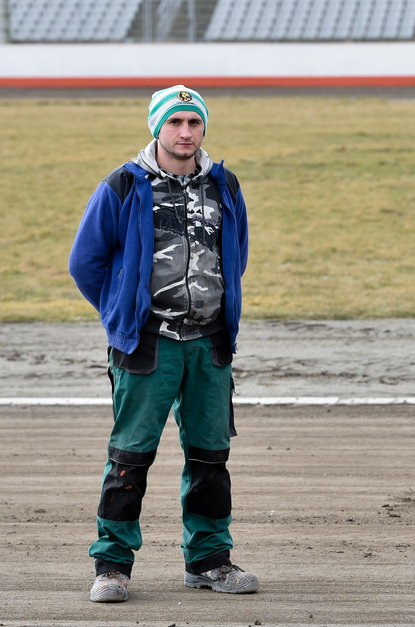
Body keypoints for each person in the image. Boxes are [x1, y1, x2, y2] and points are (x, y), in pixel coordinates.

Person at [69, 85, 257, 602]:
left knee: (210, 458)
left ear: (203, 129)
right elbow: (85, 263)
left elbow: (234, 256)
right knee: (129, 457)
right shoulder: (124, 185)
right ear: (157, 127)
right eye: (174, 123)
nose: (185, 133)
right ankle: (111, 566)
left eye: (193, 123)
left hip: (210, 343)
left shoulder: (224, 184)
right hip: (148, 344)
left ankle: (209, 561)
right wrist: (120, 312)